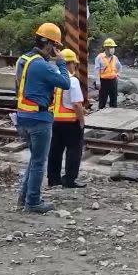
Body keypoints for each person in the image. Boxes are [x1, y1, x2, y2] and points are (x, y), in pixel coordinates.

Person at [15, 22, 71, 214]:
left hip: (23, 116)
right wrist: (61, 62)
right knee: (39, 162)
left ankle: (24, 198)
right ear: (49, 44)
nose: (56, 51)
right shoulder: (41, 65)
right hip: (38, 119)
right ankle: (33, 202)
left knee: (34, 160)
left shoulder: (24, 59)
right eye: (56, 47)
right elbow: (65, 82)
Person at [46, 48, 87, 189]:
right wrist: (82, 121)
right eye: (74, 64)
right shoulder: (73, 81)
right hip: (71, 122)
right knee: (74, 151)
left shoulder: (54, 78)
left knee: (55, 150)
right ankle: (69, 179)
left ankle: (53, 179)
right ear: (70, 64)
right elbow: (76, 104)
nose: (75, 67)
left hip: (56, 120)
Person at [94, 38, 122, 109]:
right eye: (111, 47)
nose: (113, 49)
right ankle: (101, 113)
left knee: (114, 99)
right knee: (102, 99)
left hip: (113, 81)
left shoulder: (115, 58)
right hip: (103, 81)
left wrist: (118, 74)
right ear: (106, 48)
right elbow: (96, 70)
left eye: (113, 47)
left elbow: (120, 67)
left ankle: (113, 114)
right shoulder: (99, 57)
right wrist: (98, 82)